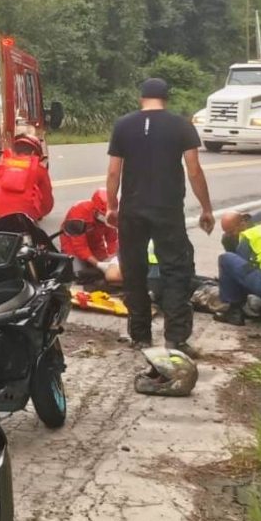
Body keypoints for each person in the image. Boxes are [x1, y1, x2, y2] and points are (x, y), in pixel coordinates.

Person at [106, 78, 215, 356]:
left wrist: (111, 206)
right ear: (166, 98)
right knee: (176, 270)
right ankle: (175, 339)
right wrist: (206, 208)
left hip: (132, 210)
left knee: (134, 271)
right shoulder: (181, 125)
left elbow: (113, 172)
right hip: (167, 211)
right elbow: (194, 171)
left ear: (141, 97)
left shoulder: (123, 125)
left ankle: (140, 336)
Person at [0, 134, 54, 223]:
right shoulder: (39, 169)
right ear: (34, 153)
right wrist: (38, 214)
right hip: (24, 216)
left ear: (14, 151)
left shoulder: (3, 165)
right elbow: (46, 202)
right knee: (38, 236)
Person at [60, 188, 119, 285]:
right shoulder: (78, 213)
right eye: (102, 215)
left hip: (96, 244)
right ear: (95, 209)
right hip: (73, 245)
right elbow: (80, 247)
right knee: (78, 276)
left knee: (110, 271)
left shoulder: (110, 216)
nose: (105, 219)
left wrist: (113, 258)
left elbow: (112, 240)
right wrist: (98, 264)